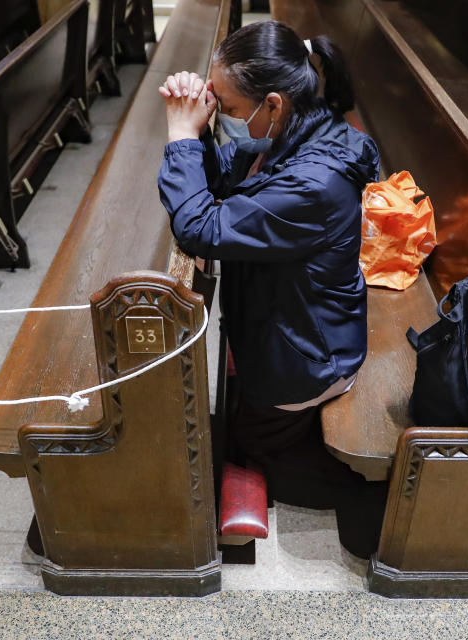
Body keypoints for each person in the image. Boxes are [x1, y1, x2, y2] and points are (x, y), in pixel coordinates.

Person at [157, 20, 384, 558]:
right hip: (302, 324)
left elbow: (201, 229)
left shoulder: (311, 183)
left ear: (274, 105)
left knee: (252, 440)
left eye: (230, 109)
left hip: (309, 354)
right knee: (242, 425)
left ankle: (381, 496)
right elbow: (228, 179)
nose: (227, 118)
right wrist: (204, 120)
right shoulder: (299, 129)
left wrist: (181, 137)